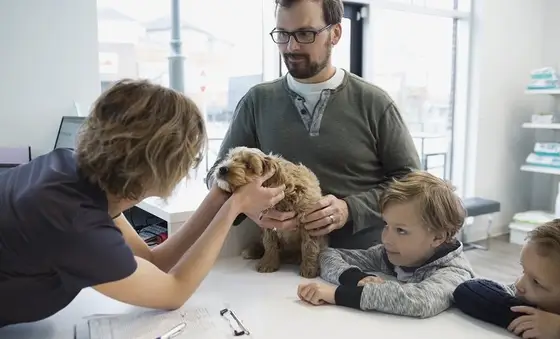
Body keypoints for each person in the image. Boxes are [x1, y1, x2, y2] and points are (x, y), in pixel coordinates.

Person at [0, 79, 285, 327]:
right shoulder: (74, 224)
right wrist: (234, 207)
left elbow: (152, 261)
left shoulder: (75, 172)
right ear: (159, 166)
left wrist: (217, 199)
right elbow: (173, 292)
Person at [205, 0, 421, 250]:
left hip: (364, 259)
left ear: (335, 33)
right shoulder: (257, 101)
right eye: (283, 34)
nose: (291, 46)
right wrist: (248, 207)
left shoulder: (375, 102)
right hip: (283, 265)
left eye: (305, 33)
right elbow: (216, 176)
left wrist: (350, 209)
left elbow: (412, 183)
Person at [296, 171, 475, 318]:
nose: (386, 239)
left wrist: (336, 295)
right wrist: (355, 279)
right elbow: (328, 255)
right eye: (386, 225)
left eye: (401, 230)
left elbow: (420, 300)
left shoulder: (455, 273)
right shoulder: (389, 255)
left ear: (437, 237)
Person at [453, 217, 560, 339]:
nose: (519, 284)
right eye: (523, 271)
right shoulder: (524, 294)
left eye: (536, 282)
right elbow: (467, 289)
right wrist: (523, 318)